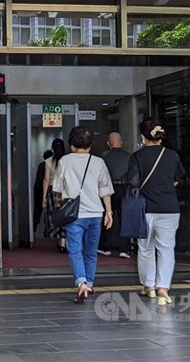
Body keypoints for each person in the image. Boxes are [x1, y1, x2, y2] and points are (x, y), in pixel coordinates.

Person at [49, 126, 113, 304]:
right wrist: (108, 211)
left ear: (71, 144)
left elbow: (57, 189)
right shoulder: (98, 161)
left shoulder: (65, 161)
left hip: (74, 214)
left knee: (75, 250)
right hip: (96, 213)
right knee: (91, 251)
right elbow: (105, 188)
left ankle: (81, 283)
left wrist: (59, 205)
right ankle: (90, 283)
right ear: (90, 144)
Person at [127, 118, 185, 306]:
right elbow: (178, 179)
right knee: (166, 249)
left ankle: (149, 286)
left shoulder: (137, 156)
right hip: (169, 207)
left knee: (145, 248)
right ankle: (163, 288)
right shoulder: (172, 155)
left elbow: (134, 183)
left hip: (145, 209)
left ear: (143, 137)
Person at [99, 131, 131, 258]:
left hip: (109, 189)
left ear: (108, 143)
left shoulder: (104, 156)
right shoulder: (129, 156)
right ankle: (124, 249)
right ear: (121, 143)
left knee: (107, 216)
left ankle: (105, 247)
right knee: (125, 219)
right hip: (124, 188)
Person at [42, 138, 67, 252]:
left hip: (54, 191)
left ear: (52, 148)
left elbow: (46, 179)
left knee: (55, 215)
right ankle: (63, 240)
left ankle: (58, 238)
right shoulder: (67, 160)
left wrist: (44, 197)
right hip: (65, 190)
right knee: (65, 215)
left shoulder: (48, 161)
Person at [32, 149, 54, 234]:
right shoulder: (46, 166)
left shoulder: (41, 165)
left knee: (37, 211)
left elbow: (38, 180)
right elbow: (45, 179)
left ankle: (34, 229)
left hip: (38, 190)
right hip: (45, 190)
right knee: (49, 211)